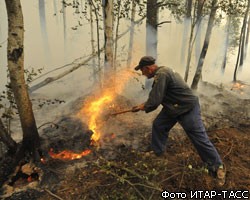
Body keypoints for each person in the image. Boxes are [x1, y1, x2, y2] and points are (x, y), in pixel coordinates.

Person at [132, 56, 226, 185]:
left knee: (199, 138)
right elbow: (157, 95)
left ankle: (217, 167)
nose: (142, 74)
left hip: (187, 107)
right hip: (173, 107)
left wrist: (144, 106)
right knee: (159, 125)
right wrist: (142, 105)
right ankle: (158, 153)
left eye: (142, 71)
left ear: (147, 68)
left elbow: (155, 100)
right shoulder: (162, 73)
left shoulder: (162, 74)